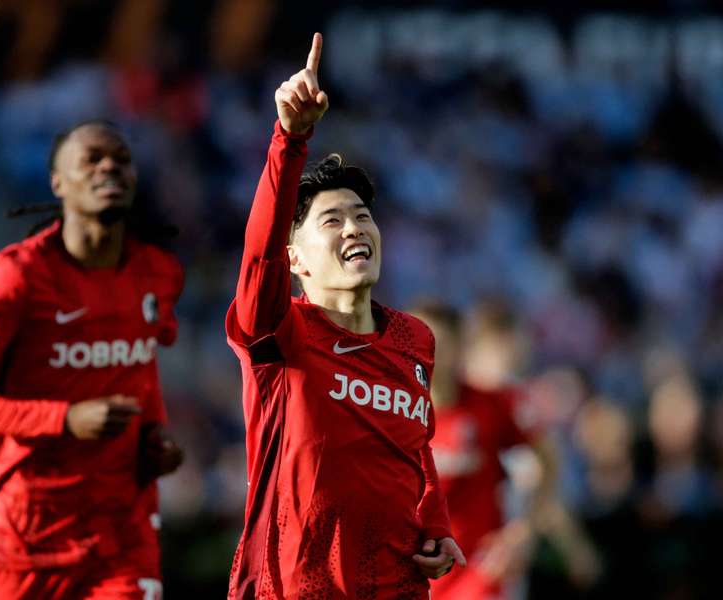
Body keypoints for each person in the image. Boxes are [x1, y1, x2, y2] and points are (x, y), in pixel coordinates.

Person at [225, 33, 465, 599]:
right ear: (296, 259)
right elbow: (259, 254)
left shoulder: (416, 340)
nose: (355, 227)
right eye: (332, 221)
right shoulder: (280, 335)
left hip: (397, 587)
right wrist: (291, 138)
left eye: (362, 215)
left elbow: (417, 448)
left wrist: (435, 525)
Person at [0, 120, 184, 600]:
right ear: (57, 182)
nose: (110, 166)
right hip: (25, 541)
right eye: (91, 159)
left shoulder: (159, 273)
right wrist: (64, 419)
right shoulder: (15, 276)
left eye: (122, 159)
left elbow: (141, 365)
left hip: (121, 536)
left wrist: (154, 433)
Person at [411, 300, 599, 599]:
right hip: (419, 573)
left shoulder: (493, 406)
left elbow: (548, 461)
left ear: (461, 348)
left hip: (480, 572)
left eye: (440, 344)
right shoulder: (391, 412)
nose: (427, 353)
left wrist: (522, 532)